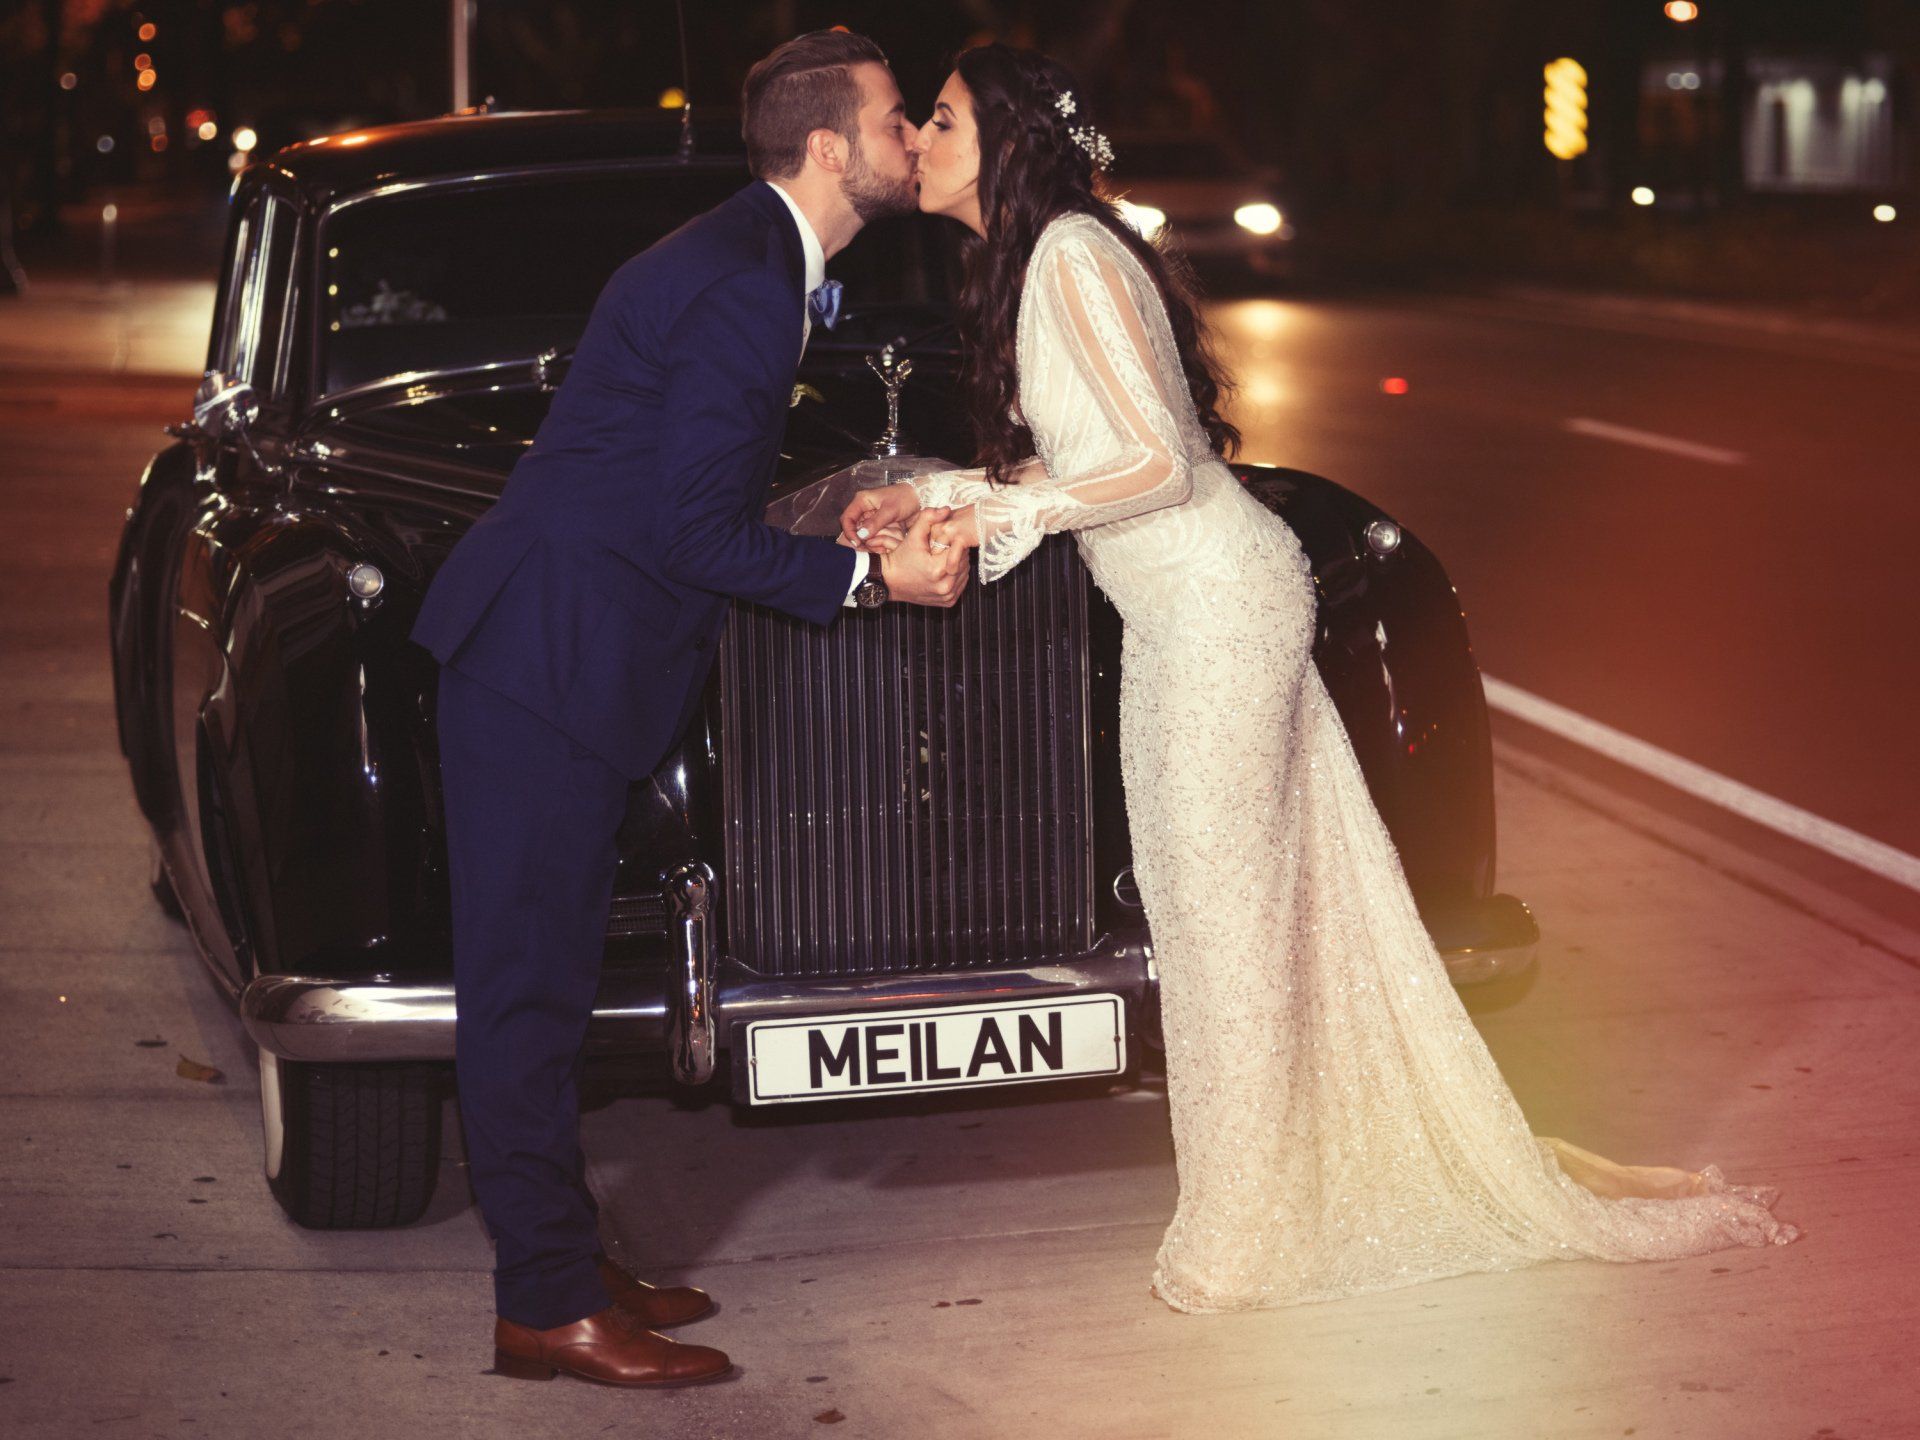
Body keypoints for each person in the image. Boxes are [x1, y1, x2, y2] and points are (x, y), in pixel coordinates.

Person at [842, 43, 1800, 1314]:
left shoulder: (1068, 254)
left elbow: (1152, 471)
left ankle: (1244, 1237)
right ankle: (1288, 1188)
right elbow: (1115, 457)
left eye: (945, 119)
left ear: (1005, 144)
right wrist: (949, 497)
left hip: (1215, 611)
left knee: (1222, 922)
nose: (921, 139)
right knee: (1217, 909)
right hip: (1199, 606)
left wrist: (989, 518)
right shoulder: (1048, 254)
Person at [411, 29, 967, 1384]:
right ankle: (544, 1304)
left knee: (544, 984)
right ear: (830, 145)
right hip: (547, 665)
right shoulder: (741, 282)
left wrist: (846, 523)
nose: (910, 140)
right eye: (899, 119)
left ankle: (564, 1257)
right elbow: (696, 535)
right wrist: (873, 583)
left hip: (562, 659)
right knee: (526, 997)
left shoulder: (750, 256)